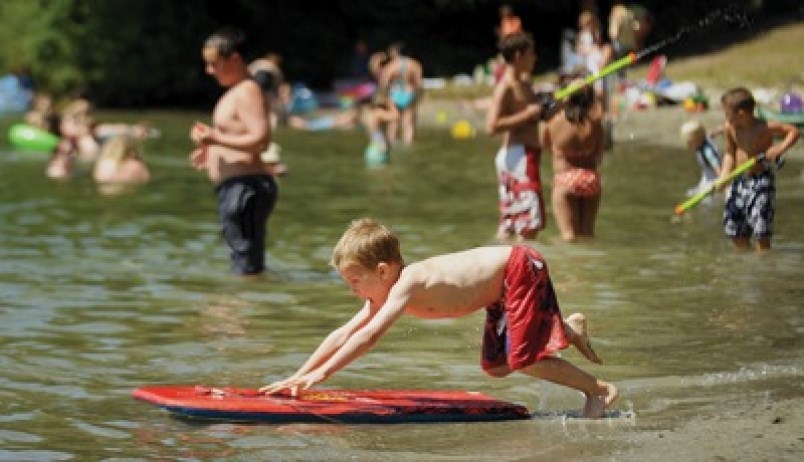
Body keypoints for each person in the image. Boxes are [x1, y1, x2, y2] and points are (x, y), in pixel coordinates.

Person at [260, 218, 617, 418]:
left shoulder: (408, 283)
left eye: (355, 281)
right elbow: (345, 333)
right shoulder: (386, 289)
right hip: (500, 288)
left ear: (383, 271)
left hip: (520, 267)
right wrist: (300, 375)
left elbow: (368, 338)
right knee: (496, 367)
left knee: (522, 360)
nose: (352, 289)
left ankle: (597, 390)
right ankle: (566, 330)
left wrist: (321, 376)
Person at [190, 27, 278, 275]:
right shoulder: (237, 93)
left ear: (235, 59)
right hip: (237, 188)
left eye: (214, 64)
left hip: (245, 188)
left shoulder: (247, 90)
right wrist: (211, 148)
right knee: (242, 261)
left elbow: (261, 138)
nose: (209, 71)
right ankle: (242, 307)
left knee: (246, 266)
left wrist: (215, 137)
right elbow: (239, 136)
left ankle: (243, 310)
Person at [485, 31, 551, 242]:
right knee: (528, 225)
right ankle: (521, 271)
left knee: (510, 223)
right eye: (531, 54)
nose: (535, 58)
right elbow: (491, 126)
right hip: (519, 158)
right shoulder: (505, 87)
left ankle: (498, 268)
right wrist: (528, 114)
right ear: (518, 56)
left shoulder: (524, 84)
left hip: (520, 157)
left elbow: (533, 113)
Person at [717, 87, 800, 251]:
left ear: (741, 113)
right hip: (738, 181)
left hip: (761, 181)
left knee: (761, 230)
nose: (725, 117)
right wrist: (725, 174)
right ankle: (748, 262)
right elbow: (729, 153)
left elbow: (793, 131)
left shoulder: (763, 127)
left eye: (727, 113)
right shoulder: (731, 128)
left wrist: (779, 148)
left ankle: (763, 256)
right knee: (734, 229)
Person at [542, 78, 603, 242]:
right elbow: (599, 152)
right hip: (590, 179)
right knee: (588, 235)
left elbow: (545, 145)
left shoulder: (554, 120)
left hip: (565, 180)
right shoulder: (595, 123)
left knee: (568, 237)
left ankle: (572, 267)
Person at [379, 42, 422, 145]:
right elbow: (419, 84)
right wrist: (417, 97)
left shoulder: (390, 66)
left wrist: (384, 97)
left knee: (393, 122)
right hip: (409, 93)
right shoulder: (415, 64)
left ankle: (390, 145)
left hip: (394, 94)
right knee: (408, 123)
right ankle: (408, 145)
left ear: (395, 53)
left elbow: (383, 84)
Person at [679, 120, 722, 198]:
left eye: (689, 143)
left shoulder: (708, 153)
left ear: (697, 140)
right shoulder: (704, 138)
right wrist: (721, 129)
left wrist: (720, 182)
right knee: (689, 194)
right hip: (706, 178)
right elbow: (713, 133)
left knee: (705, 202)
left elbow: (718, 169)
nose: (687, 146)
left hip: (713, 181)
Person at [361, 95, 399, 168]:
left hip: (373, 147)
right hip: (379, 148)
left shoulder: (368, 112)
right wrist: (391, 104)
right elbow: (396, 115)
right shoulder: (378, 112)